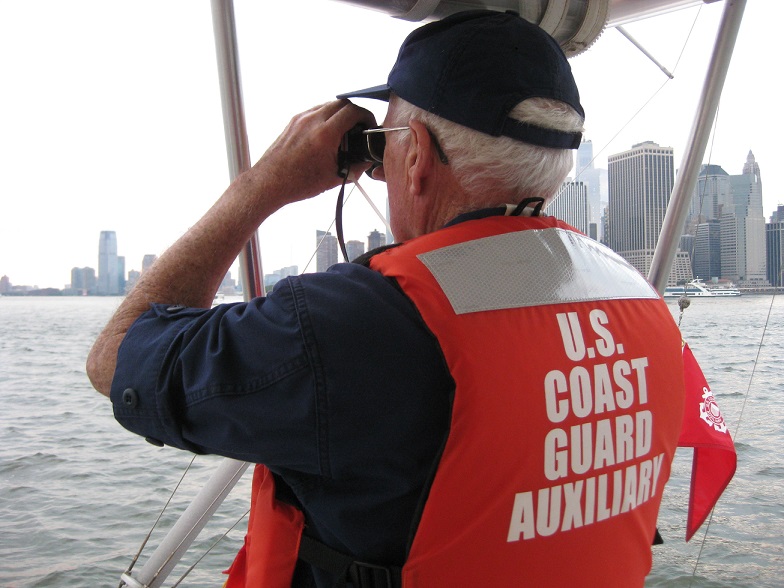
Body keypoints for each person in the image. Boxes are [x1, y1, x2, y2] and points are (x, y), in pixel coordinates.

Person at [87, 10, 685, 588]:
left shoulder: (350, 329)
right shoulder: (638, 301)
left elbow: (116, 359)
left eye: (386, 143)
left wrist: (261, 184)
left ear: (418, 156)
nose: (381, 168)